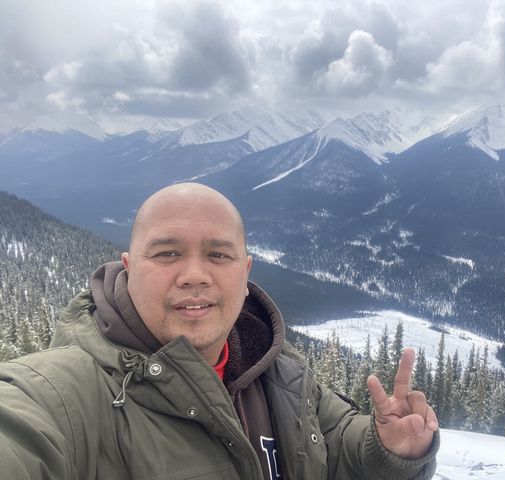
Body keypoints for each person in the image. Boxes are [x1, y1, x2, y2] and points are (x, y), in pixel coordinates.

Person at [0, 182, 439, 479]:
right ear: (129, 269)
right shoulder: (65, 395)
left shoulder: (278, 374)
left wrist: (389, 448)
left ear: (244, 274)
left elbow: (335, 447)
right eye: (167, 253)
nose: (195, 275)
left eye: (219, 255)